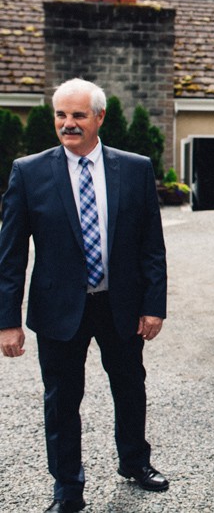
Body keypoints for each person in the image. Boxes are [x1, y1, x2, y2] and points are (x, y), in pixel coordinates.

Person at [0, 78, 168, 513]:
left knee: (130, 387)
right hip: (59, 310)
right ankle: (67, 489)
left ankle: (134, 462)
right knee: (61, 402)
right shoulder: (29, 171)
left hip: (121, 305)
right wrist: (8, 320)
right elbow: (11, 254)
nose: (68, 123)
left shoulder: (135, 168)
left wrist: (153, 306)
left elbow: (152, 245)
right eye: (61, 114)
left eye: (77, 115)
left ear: (99, 117)